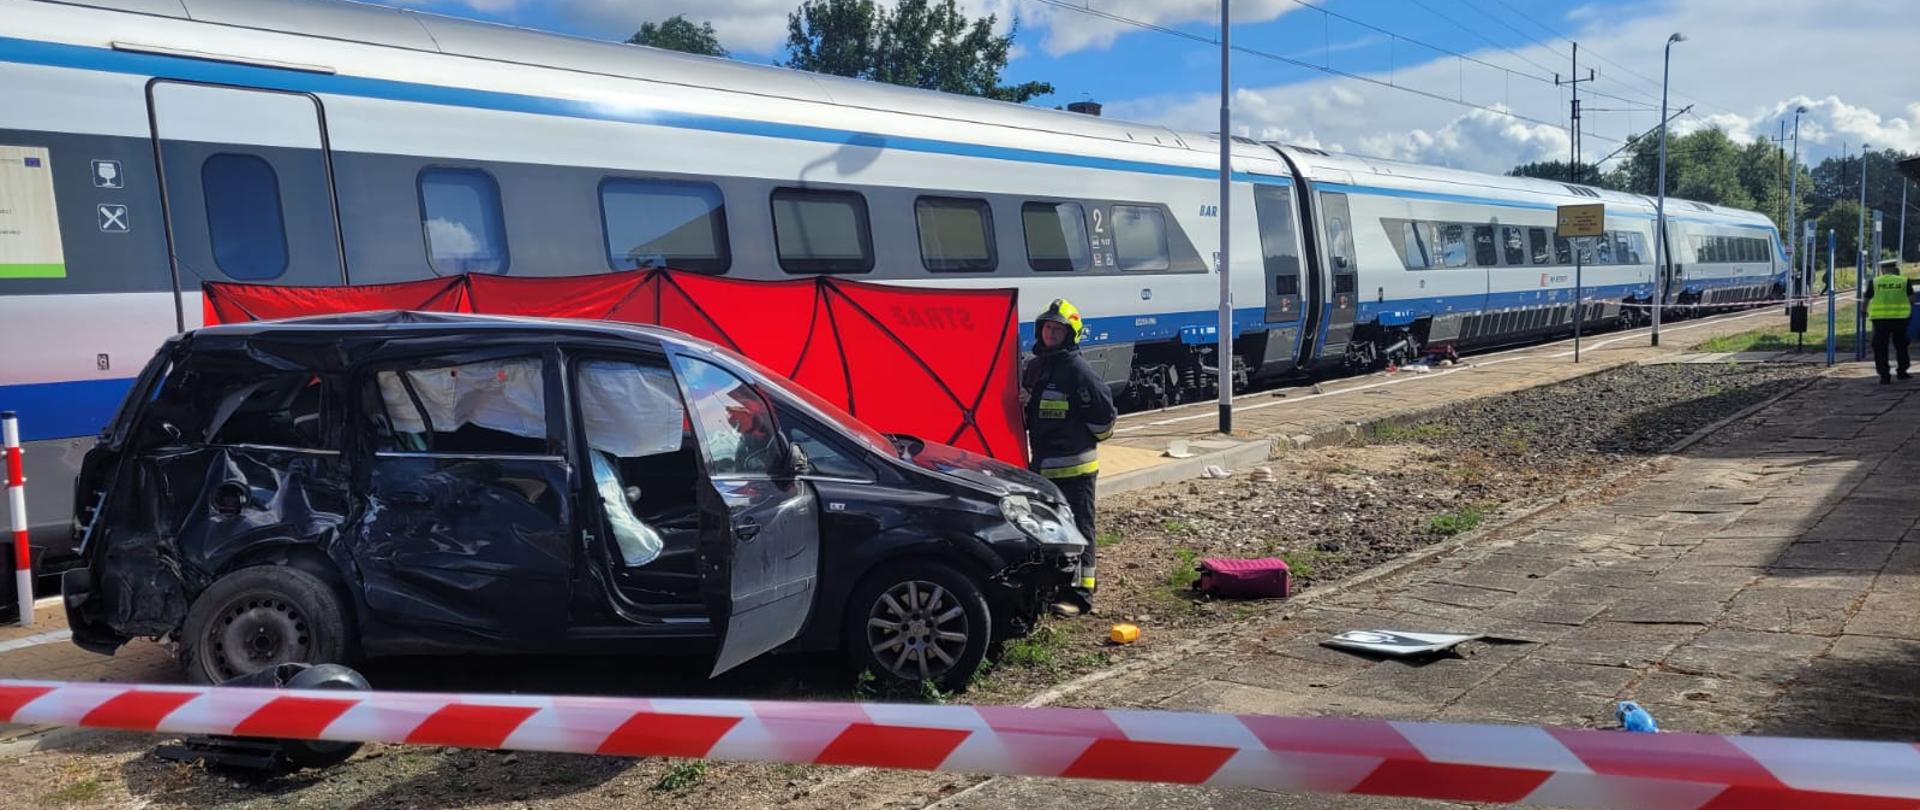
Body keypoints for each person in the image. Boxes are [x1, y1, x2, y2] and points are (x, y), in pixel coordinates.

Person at [1021, 298, 1116, 617]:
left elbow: (1105, 419)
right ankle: (1054, 588)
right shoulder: (1036, 368)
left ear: (1070, 334)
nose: (1050, 333)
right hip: (1045, 470)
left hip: (1076, 470)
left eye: (1057, 329)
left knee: (1080, 531)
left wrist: (1079, 440)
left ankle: (1080, 596)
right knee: (1051, 531)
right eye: (1047, 327)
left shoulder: (1078, 371)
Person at [1866, 259, 1912, 384]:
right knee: (1901, 346)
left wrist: (1863, 311)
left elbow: (1866, 299)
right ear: (1895, 269)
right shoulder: (1904, 281)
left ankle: (1884, 376)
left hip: (1880, 320)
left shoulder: (1875, 282)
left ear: (1883, 270)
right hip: (1900, 318)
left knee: (1880, 347)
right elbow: (1911, 299)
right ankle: (1902, 372)